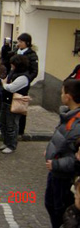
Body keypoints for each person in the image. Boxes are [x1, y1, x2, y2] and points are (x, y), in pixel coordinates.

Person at [45, 79, 80, 228]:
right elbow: (62, 142)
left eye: (62, 92)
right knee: (51, 205)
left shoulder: (77, 123)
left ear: (68, 96)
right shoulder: (68, 115)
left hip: (64, 177)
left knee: (59, 211)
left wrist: (56, 163)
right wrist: (50, 151)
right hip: (55, 173)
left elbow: (76, 157)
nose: (61, 94)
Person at [0, 55, 30, 154]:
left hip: (15, 103)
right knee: (2, 123)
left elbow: (11, 87)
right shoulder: (13, 73)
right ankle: (6, 141)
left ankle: (11, 145)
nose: (11, 65)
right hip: (6, 101)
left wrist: (3, 84)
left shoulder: (23, 77)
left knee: (11, 125)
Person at [16, 33, 39, 136]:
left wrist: (26, 80)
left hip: (23, 83)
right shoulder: (17, 52)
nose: (19, 44)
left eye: (21, 42)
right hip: (14, 81)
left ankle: (20, 130)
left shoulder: (32, 55)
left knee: (21, 106)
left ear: (27, 43)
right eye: (18, 41)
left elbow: (34, 71)